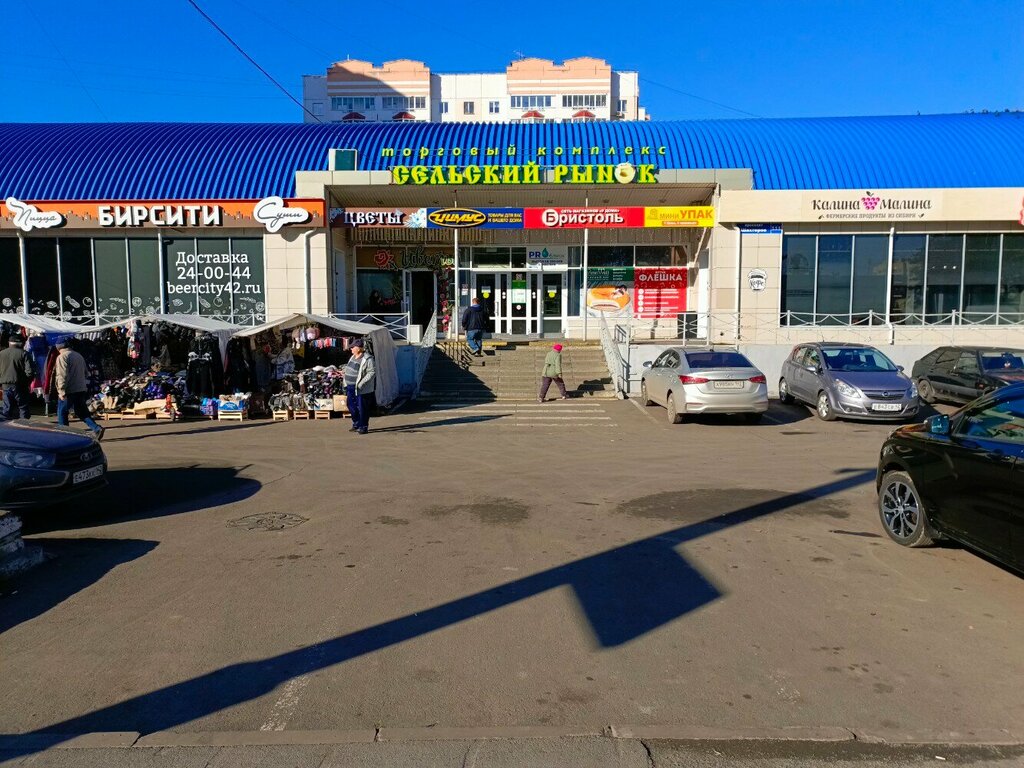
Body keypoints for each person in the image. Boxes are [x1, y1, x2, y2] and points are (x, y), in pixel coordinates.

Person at [55, 338, 104, 440]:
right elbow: (86, 373)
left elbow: (62, 375)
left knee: (62, 411)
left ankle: (64, 434)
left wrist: (61, 390)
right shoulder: (78, 355)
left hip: (69, 390)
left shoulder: (62, 357)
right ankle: (96, 428)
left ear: (58, 347)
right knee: (81, 411)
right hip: (81, 388)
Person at [0, 333, 37, 420]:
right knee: (23, 407)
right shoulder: (24, 354)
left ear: (9, 343)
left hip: (5, 384)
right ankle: (24, 429)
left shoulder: (1, 353)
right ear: (21, 343)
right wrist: (27, 381)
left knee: (7, 408)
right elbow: (30, 371)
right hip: (20, 385)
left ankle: (7, 428)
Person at [344, 339, 376, 435]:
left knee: (362, 408)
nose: (351, 349)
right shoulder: (352, 357)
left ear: (358, 348)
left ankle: (363, 426)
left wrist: (362, 383)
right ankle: (356, 423)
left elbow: (372, 372)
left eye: (353, 347)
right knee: (351, 406)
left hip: (361, 388)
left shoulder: (368, 359)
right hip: (350, 386)